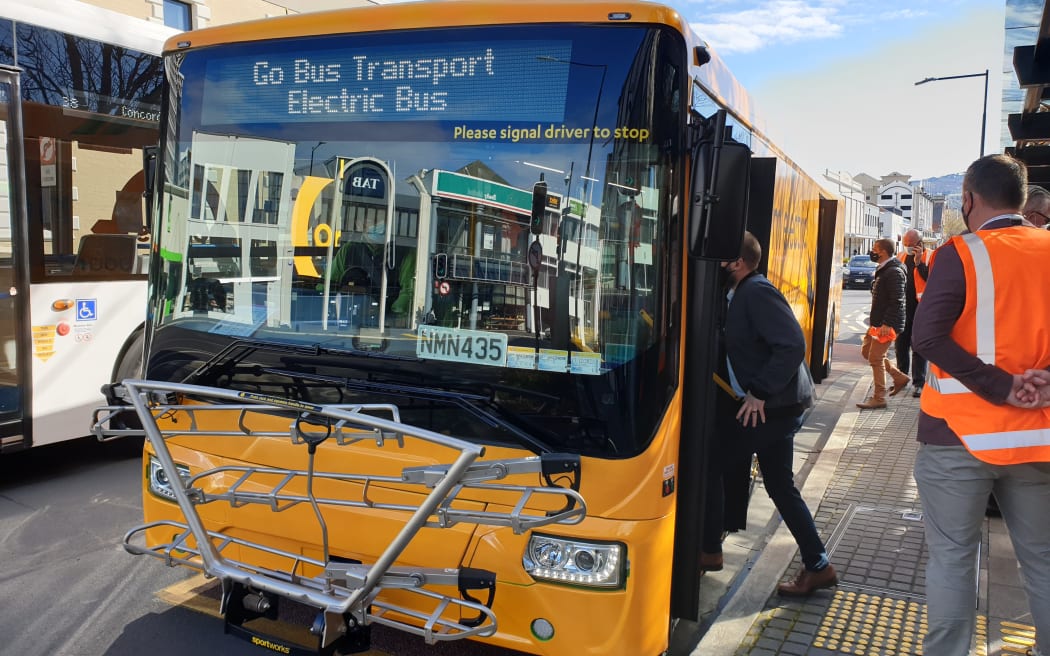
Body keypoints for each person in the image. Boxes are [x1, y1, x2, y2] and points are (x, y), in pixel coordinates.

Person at [912, 154, 1050, 656]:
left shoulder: (961, 252)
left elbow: (926, 336)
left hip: (957, 438)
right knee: (1043, 562)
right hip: (1039, 440)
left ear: (967, 199)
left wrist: (998, 386)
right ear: (1021, 197)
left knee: (953, 560)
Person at [700, 231, 837, 596]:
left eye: (724, 260)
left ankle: (709, 551)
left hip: (771, 409)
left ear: (739, 264)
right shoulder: (739, 294)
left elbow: (792, 344)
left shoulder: (756, 292)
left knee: (709, 464)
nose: (718, 267)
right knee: (779, 486)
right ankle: (818, 565)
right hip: (777, 408)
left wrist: (759, 392)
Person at [856, 238, 909, 409]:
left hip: (886, 325)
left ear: (883, 252)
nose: (872, 251)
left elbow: (897, 300)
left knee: (876, 357)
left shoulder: (894, 272)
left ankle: (879, 398)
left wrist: (887, 324)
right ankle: (899, 377)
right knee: (867, 351)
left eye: (874, 248)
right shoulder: (885, 269)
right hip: (877, 323)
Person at [895, 229, 933, 398]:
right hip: (903, 308)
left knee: (918, 346)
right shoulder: (901, 257)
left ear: (920, 244)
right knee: (900, 345)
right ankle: (901, 377)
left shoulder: (930, 257)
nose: (908, 248)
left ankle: (919, 383)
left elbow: (933, 281)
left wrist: (919, 263)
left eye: (911, 245)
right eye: (905, 245)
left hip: (921, 308)